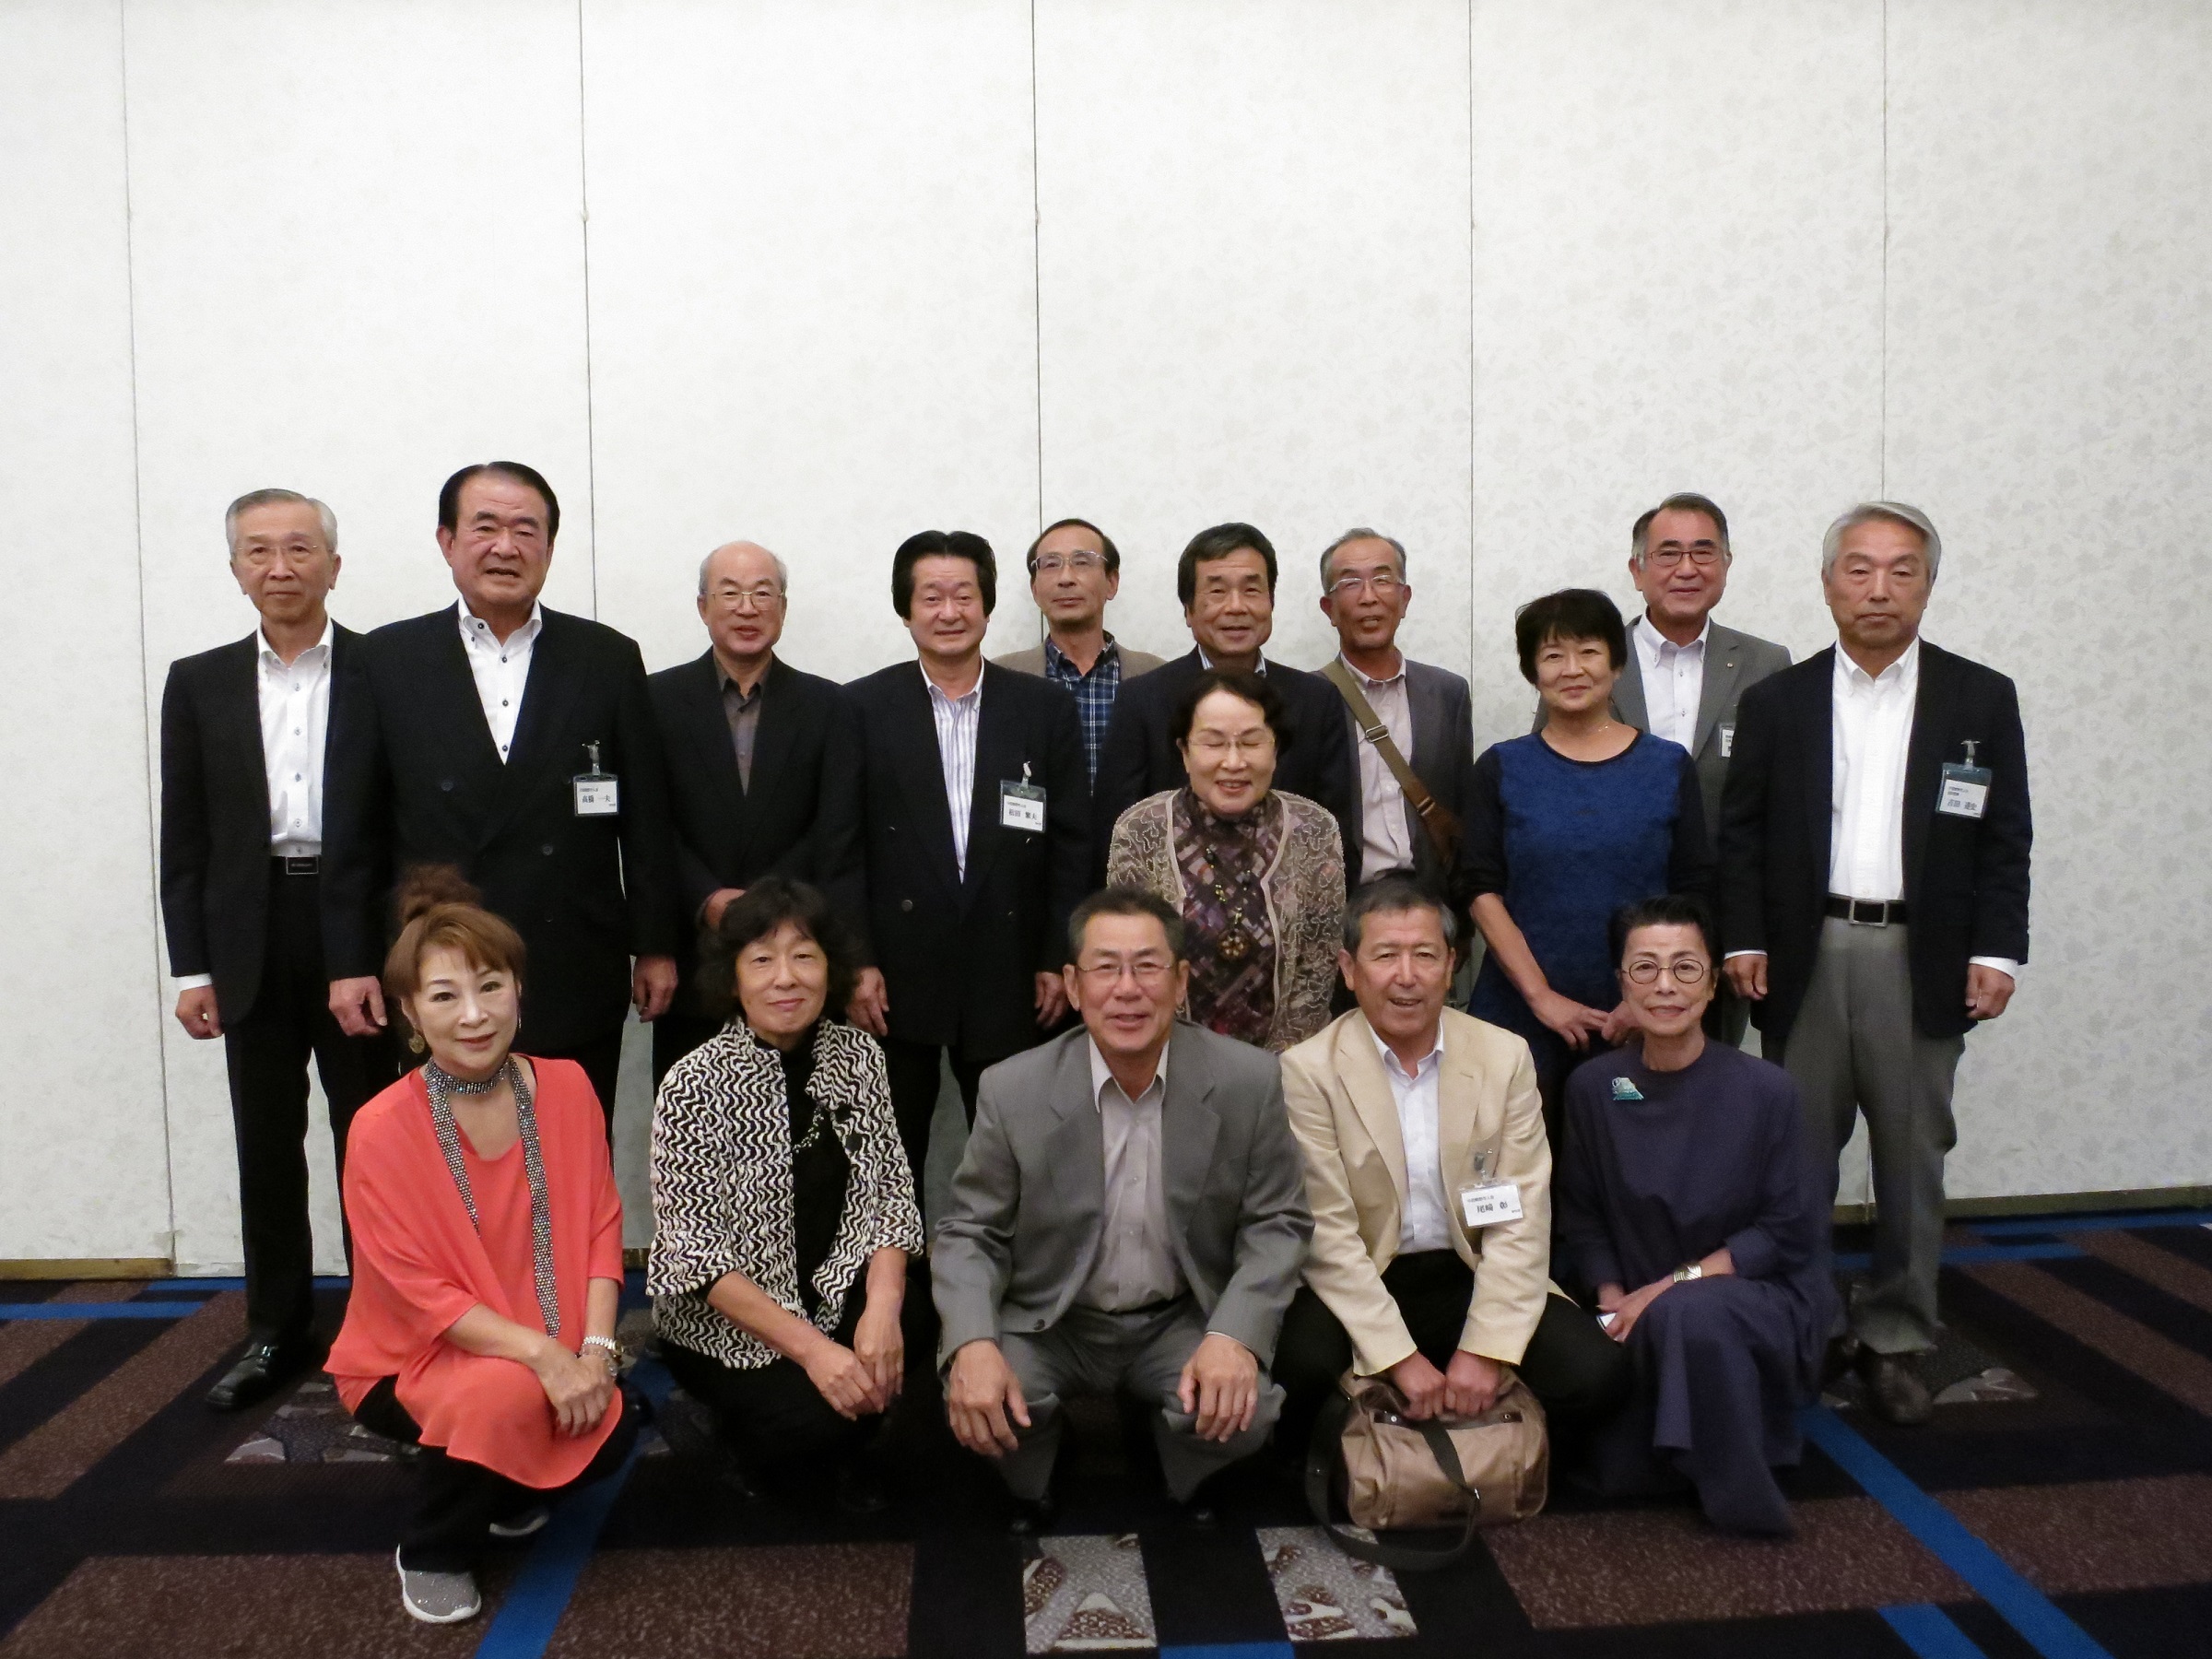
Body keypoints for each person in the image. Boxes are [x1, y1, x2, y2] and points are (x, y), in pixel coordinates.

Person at [1721, 502, 2030, 1425]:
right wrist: (1743, 938)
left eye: (1902, 570)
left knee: (1911, 1159)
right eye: (1859, 569)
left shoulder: (1980, 698)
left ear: (1929, 585)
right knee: (1797, 1162)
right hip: (1804, 954)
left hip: (1920, 955)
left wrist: (1997, 950)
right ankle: (1809, 1323)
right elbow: (1741, 834)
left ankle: (1897, 1335)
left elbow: (2005, 837)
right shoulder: (1778, 700)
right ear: (1828, 585)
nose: (1879, 589)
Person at [933, 888, 1312, 1530]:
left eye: (1147, 967)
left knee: (1247, 1412)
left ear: (1181, 981)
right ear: (1073, 986)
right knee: (981, 1400)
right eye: (1106, 968)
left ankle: (1174, 1451)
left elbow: (1278, 1223)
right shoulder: (1014, 1088)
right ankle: (1044, 1457)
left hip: (1178, 1314)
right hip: (1053, 1318)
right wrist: (970, 1342)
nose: (1127, 990)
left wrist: (1233, 1337)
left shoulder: (1247, 1081)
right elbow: (970, 1231)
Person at [322, 462, 678, 1124]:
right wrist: (349, 961)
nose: (506, 547)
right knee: (453, 1157)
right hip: (440, 961)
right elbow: (352, 826)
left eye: (526, 530)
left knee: (571, 1146)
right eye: (485, 527)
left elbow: (647, 822)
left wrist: (655, 944)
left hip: (572, 953)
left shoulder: (606, 657)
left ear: (550, 546)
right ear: (447, 541)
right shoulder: (385, 660)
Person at [325, 868, 634, 1625]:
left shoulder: (568, 1087)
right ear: (409, 1011)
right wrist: (547, 1359)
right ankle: (433, 1549)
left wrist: (595, 1351)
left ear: (518, 991)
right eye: (444, 997)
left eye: (490, 987)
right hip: (409, 1359)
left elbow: (602, 1227)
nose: (474, 1015)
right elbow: (420, 1297)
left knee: (615, 1424)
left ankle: (504, 1484)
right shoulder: (380, 1127)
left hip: (548, 1339)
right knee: (504, 1398)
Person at [159, 488, 398, 1410]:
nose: (280, 567)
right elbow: (186, 837)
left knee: (370, 1141)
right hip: (247, 933)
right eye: (258, 551)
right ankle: (275, 1329)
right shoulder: (199, 681)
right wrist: (193, 967)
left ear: (334, 565)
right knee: (265, 1145)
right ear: (235, 570)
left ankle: (384, 1323)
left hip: (358, 934)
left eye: (300, 549)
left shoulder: (387, 670)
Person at [1276, 877, 1629, 1452]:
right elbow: (1328, 1236)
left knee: (1595, 1373)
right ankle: (1350, 1474)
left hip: (1471, 1267)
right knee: (1296, 1367)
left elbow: (1521, 1216)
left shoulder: (1503, 1056)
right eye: (1385, 956)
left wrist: (1485, 1350)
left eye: (1425, 955)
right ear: (1349, 969)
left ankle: (1508, 1469)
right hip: (1369, 1272)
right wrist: (1399, 1358)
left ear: (1451, 965)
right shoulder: (1308, 1071)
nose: (1406, 976)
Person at [1555, 895, 1834, 1536]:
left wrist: (1666, 1290)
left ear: (1711, 985)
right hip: (1638, 1296)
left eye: (1685, 968)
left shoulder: (1767, 1090)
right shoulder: (1595, 1088)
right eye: (1645, 968)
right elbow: (1584, 1215)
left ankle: (1744, 1501)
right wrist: (1612, 1300)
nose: (1665, 986)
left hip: (1755, 1292)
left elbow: (1786, 1233)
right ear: (1622, 984)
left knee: (1691, 1312)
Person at [648, 878, 924, 1512]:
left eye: (804, 956)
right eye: (762, 960)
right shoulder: (693, 1083)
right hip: (733, 1323)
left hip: (832, 1289)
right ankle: (717, 1427)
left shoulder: (858, 1057)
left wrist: (882, 1312)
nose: (785, 978)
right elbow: (696, 1258)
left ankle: (838, 1430)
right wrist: (818, 1354)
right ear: (733, 978)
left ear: (830, 969)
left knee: (914, 1321)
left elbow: (889, 1192)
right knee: (812, 1428)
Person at [836, 530, 1090, 1186]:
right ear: (906, 610)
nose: (949, 612)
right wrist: (856, 962)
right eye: (931, 597)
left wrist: (1056, 957)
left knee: (1018, 1160)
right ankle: (898, 1260)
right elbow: (840, 848)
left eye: (964, 596)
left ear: (987, 605)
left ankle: (1012, 1260)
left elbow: (1072, 846)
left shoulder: (1042, 708)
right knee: (889, 1163)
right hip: (894, 974)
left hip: (1012, 969)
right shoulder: (858, 708)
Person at [1467, 589, 1712, 1128]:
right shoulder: (1502, 766)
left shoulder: (1668, 765)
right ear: (1533, 672)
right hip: (1519, 1008)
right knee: (1515, 1155)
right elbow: (1480, 888)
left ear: (1617, 664)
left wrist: (1646, 997)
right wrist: (1541, 997)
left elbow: (1692, 888)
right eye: (1553, 655)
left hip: (1638, 1013)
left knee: (1629, 1154)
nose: (1572, 669)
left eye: (1589, 652)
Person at [647, 541, 861, 1082]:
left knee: (803, 1112)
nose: (747, 608)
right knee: (695, 1109)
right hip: (694, 957)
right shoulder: (653, 701)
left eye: (763, 594)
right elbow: (649, 825)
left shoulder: (830, 706)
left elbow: (835, 829)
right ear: (703, 607)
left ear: (783, 608)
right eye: (731, 593)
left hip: (798, 954)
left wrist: (769, 905)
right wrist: (706, 899)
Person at [1589, 494, 1791, 1044]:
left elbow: (1781, 802)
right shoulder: (1590, 660)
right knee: (1607, 1075)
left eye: (1703, 552)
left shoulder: (1766, 664)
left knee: (1711, 1071)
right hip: (1607, 911)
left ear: (1725, 565)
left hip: (1724, 917)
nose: (1686, 568)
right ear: (1637, 570)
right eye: (1668, 553)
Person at [1093, 523, 1358, 885]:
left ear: (1271, 602)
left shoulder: (1316, 699)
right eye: (1217, 591)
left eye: (1252, 590)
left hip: (1285, 906)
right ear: (1188, 610)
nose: (1236, 607)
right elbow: (1116, 835)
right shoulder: (1141, 699)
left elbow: (1335, 836)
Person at [1106, 669, 1345, 1053]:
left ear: (1276, 750)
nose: (1233, 762)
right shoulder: (1141, 829)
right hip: (1166, 1058)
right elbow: (1131, 961)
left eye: (1250, 742)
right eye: (1213, 743)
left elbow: (1317, 969)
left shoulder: (1313, 829)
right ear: (1184, 752)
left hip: (1287, 1064)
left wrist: (1275, 1071)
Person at [1313, 529, 1477, 900]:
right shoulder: (1306, 698)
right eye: (1350, 583)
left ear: (1404, 599)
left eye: (1383, 580)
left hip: (1430, 900)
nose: (1369, 597)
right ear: (1329, 608)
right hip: (1342, 903)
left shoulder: (1448, 693)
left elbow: (1462, 806)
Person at [993, 517, 1167, 783]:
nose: (1066, 578)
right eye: (1051, 565)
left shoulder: (1157, 676)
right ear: (1035, 589)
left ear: (1112, 582)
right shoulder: (999, 677)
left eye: (1082, 562)